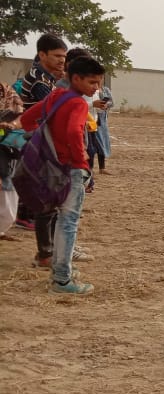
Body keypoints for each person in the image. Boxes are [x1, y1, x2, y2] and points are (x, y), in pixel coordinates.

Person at [20, 56, 106, 294]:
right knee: (68, 223)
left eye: (99, 83)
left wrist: (47, 144)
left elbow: (27, 120)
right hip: (70, 169)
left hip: (51, 168)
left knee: (60, 220)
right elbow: (73, 132)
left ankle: (59, 271)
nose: (96, 88)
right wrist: (82, 162)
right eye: (92, 82)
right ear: (76, 78)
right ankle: (62, 280)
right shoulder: (78, 103)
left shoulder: (55, 96)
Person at [17, 34, 67, 264]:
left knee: (50, 198)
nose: (61, 60)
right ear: (42, 54)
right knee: (47, 199)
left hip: (41, 140)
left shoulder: (46, 77)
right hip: (39, 142)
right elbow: (51, 111)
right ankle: (46, 252)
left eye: (63, 56)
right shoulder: (39, 80)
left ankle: (52, 248)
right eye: (57, 56)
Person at [0, 82, 24, 242]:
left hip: (7, 149)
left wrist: (12, 125)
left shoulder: (6, 90)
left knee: (8, 192)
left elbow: (21, 115)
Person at [87, 84, 113, 176]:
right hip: (86, 123)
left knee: (98, 145)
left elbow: (99, 109)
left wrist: (102, 107)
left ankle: (100, 168)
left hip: (96, 122)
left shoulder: (100, 91)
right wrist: (93, 104)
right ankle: (89, 170)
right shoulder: (83, 91)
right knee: (90, 148)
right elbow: (79, 105)